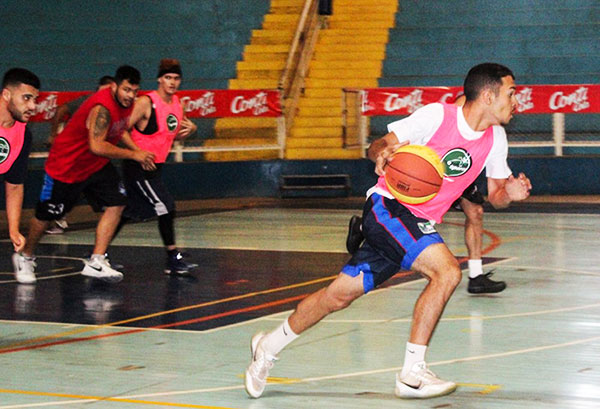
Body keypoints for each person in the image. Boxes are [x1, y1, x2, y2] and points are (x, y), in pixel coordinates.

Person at [245, 63, 531, 399]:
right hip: (388, 208)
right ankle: (412, 374)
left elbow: (496, 195)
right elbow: (379, 144)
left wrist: (508, 195)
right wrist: (381, 153)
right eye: (511, 92)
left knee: (337, 296)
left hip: (414, 225)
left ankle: (268, 345)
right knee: (448, 272)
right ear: (487, 95)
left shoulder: (495, 138)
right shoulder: (437, 117)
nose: (517, 100)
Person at [12, 65, 156, 284]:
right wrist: (133, 155)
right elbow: (97, 145)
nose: (130, 95)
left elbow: (120, 129)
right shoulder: (102, 107)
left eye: (134, 91)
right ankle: (26, 255)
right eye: (127, 89)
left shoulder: (127, 105)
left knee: (117, 202)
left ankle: (96, 261)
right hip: (66, 167)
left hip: (94, 166)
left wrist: (137, 150)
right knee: (46, 217)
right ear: (115, 86)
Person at [114, 58, 197, 275]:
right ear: (160, 79)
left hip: (155, 167)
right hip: (137, 166)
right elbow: (121, 129)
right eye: (168, 78)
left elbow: (168, 136)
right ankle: (172, 257)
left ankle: (97, 253)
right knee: (166, 206)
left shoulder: (179, 104)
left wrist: (191, 130)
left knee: (127, 211)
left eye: (176, 78)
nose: (172, 82)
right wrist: (136, 152)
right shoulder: (145, 102)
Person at [347, 182, 506, 294]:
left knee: (475, 211)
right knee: (417, 215)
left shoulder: (491, 139)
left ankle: (476, 275)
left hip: (456, 171)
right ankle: (365, 227)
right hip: (430, 170)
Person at [45, 75, 116, 235]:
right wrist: (53, 134)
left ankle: (108, 220)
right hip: (76, 158)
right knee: (67, 190)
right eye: (103, 91)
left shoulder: (113, 108)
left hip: (94, 159)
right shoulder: (87, 101)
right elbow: (61, 110)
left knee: (102, 192)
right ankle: (56, 218)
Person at [1, 68, 40, 283]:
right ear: (6, 95)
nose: (33, 106)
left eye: (35, 99)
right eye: (26, 98)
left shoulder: (23, 134)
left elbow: (14, 185)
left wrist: (14, 229)